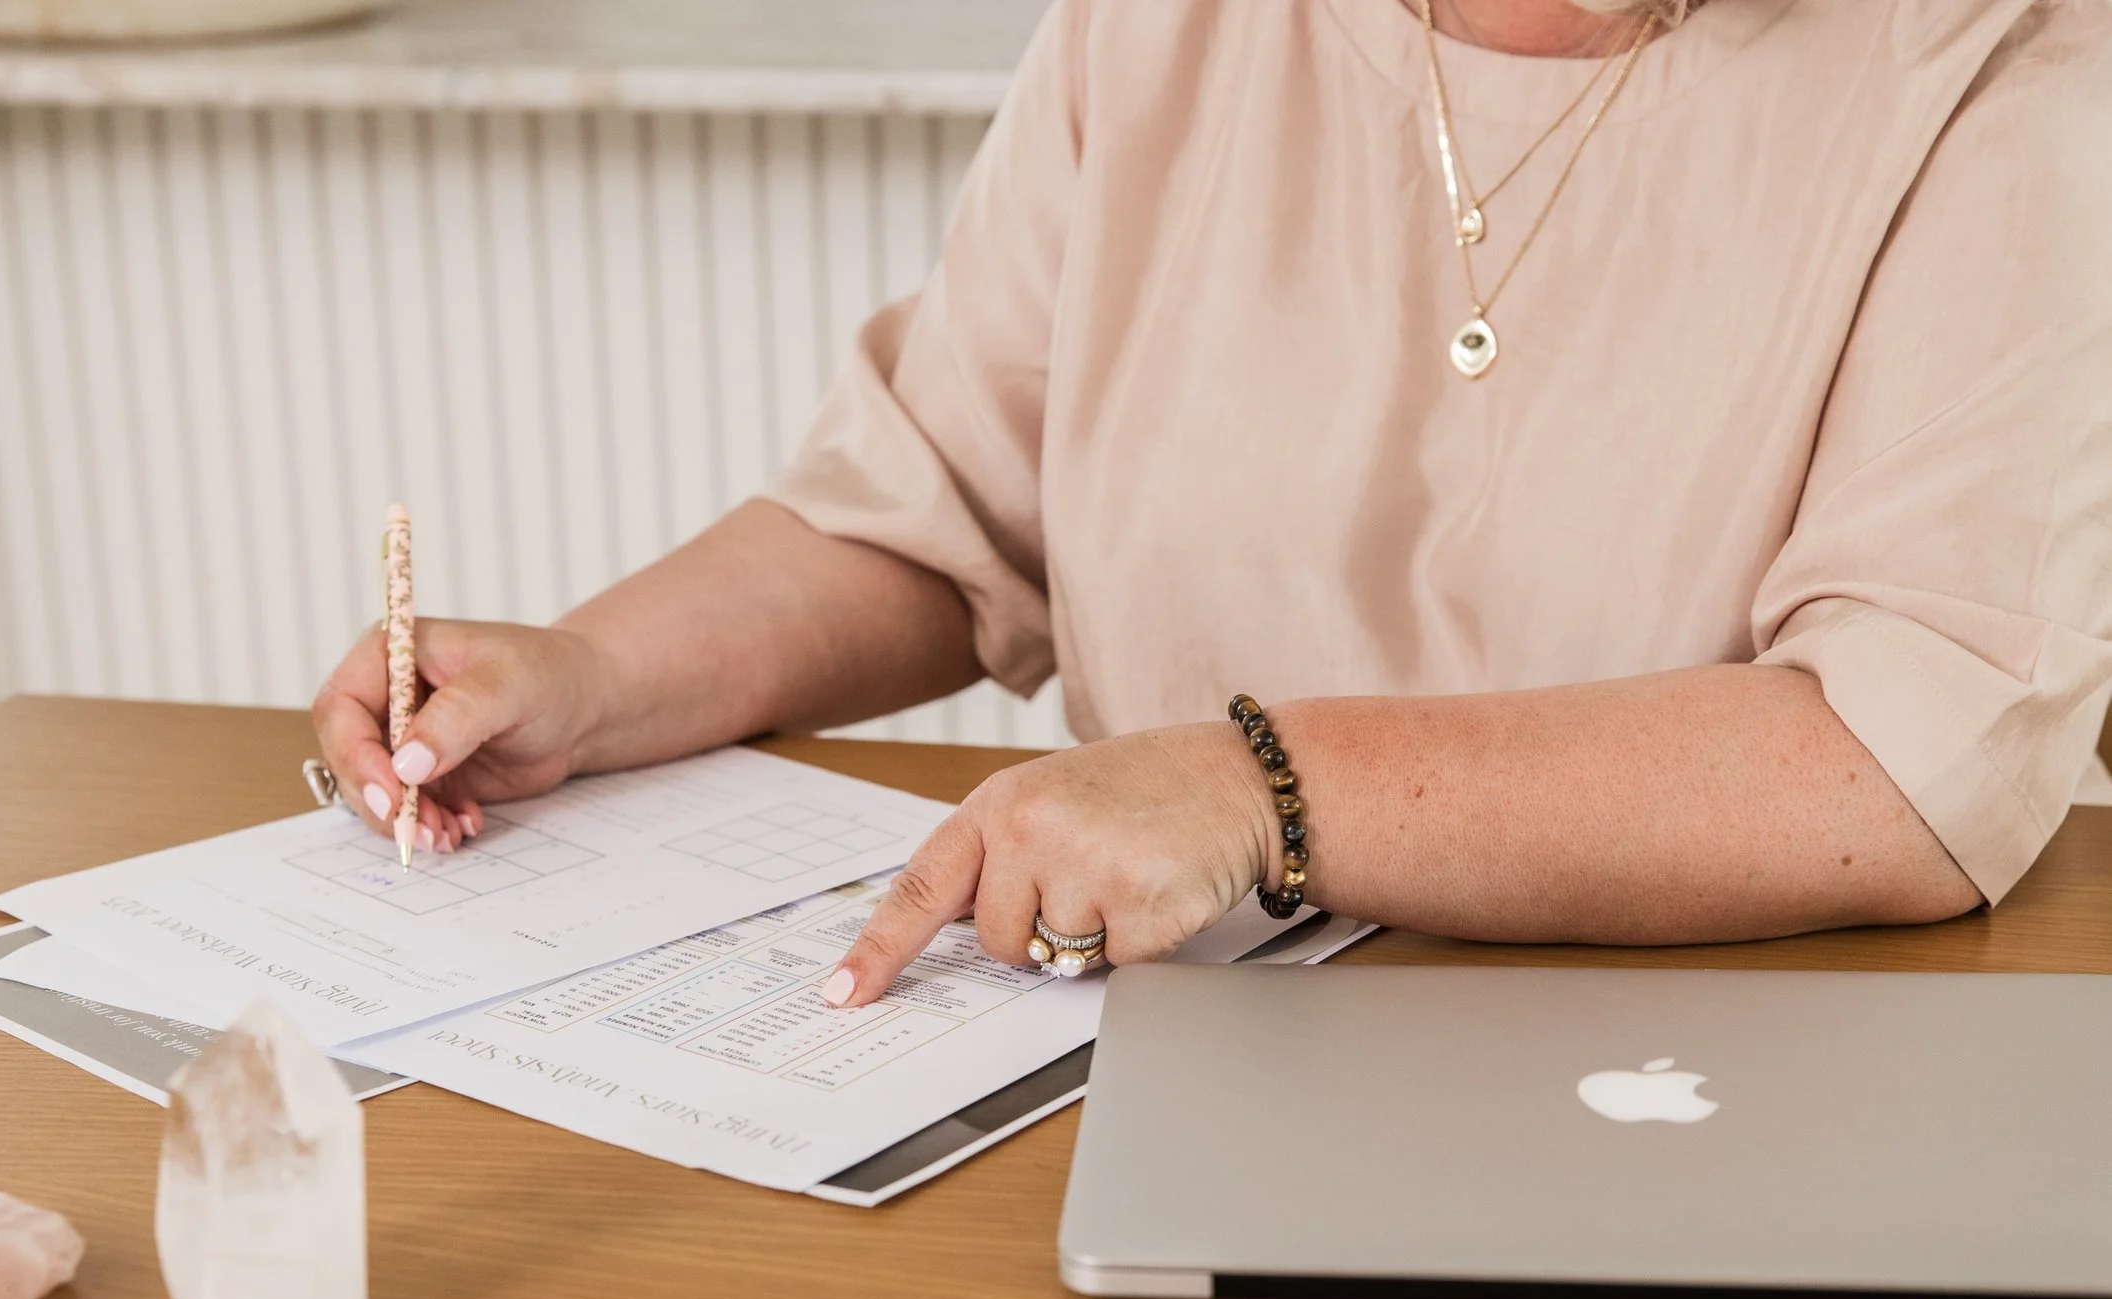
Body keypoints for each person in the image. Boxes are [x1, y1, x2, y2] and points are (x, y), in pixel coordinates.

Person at [314, 0, 2112, 1009]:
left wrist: (1253, 785)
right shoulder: (1164, 22)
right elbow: (934, 506)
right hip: (1157, 1031)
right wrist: (586, 676)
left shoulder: (2011, 58)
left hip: (1723, 1062)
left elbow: (1901, 759)